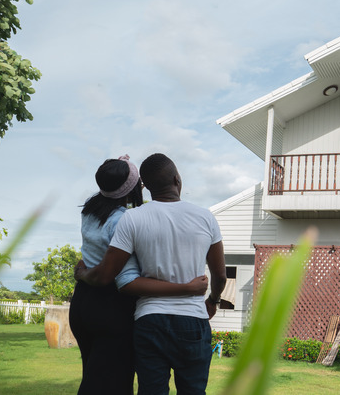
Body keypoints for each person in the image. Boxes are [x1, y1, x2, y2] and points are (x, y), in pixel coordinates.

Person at [75, 153, 227, 395]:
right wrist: (213, 300)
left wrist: (82, 273)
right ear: (177, 179)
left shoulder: (131, 219)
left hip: (149, 319)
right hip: (193, 319)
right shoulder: (206, 217)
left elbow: (123, 281)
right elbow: (220, 277)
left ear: (145, 186)